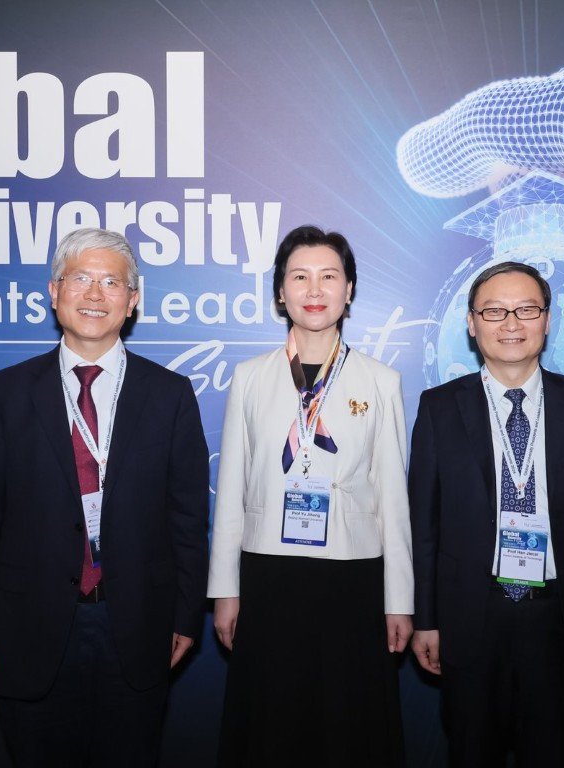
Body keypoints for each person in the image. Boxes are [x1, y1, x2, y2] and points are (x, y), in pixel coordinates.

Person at [0, 227, 210, 767]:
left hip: (136, 626)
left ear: (132, 300)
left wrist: (186, 618)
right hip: (29, 629)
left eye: (111, 282)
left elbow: (188, 520)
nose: (95, 294)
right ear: (54, 291)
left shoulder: (170, 395)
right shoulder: (6, 392)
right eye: (80, 279)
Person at [408, 261, 564, 767]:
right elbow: (424, 526)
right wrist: (426, 619)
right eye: (494, 311)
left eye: (526, 309)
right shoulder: (439, 408)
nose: (511, 323)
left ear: (547, 320)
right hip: (471, 618)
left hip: (562, 620)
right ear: (472, 323)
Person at [208, 225, 413, 767]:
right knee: (271, 725)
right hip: (269, 574)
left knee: (349, 726)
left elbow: (394, 500)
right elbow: (232, 491)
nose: (314, 289)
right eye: (299, 277)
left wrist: (398, 599)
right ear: (281, 292)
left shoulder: (381, 381)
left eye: (329, 276)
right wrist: (225, 589)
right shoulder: (250, 377)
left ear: (349, 290)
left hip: (353, 577)